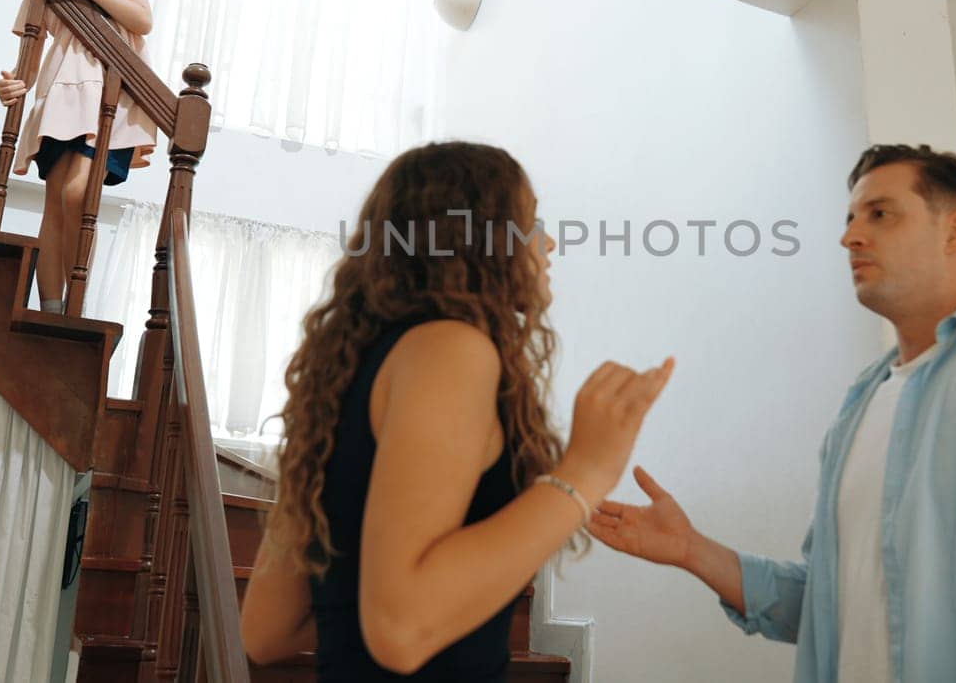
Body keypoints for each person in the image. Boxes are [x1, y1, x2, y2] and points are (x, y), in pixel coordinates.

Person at [591, 144, 956, 682]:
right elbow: (825, 603)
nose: (850, 237)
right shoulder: (860, 404)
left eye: (880, 214)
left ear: (954, 230)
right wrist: (693, 550)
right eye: (849, 219)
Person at [240, 141, 675, 681]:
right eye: (531, 222)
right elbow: (399, 630)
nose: (549, 242)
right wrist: (586, 471)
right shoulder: (452, 349)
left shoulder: (351, 372)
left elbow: (267, 627)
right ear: (478, 239)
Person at [0, 0, 158, 313]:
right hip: (62, 100)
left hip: (111, 102)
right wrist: (12, 86)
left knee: (75, 195)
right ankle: (52, 308)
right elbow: (25, 71)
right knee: (55, 203)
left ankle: (75, 305)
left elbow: (141, 20)